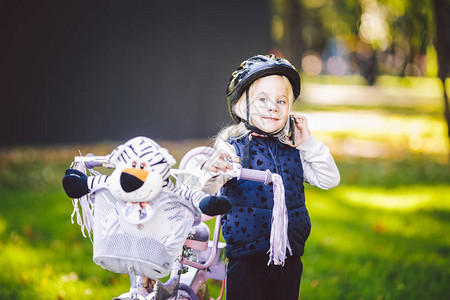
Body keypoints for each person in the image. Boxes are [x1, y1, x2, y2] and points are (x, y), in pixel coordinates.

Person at [196, 54, 340, 299]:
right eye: (263, 99)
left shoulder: (295, 151)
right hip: (246, 258)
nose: (273, 107)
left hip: (289, 257)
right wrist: (215, 170)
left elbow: (330, 179)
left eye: (281, 101)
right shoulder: (234, 149)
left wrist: (308, 143)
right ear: (243, 104)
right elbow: (208, 189)